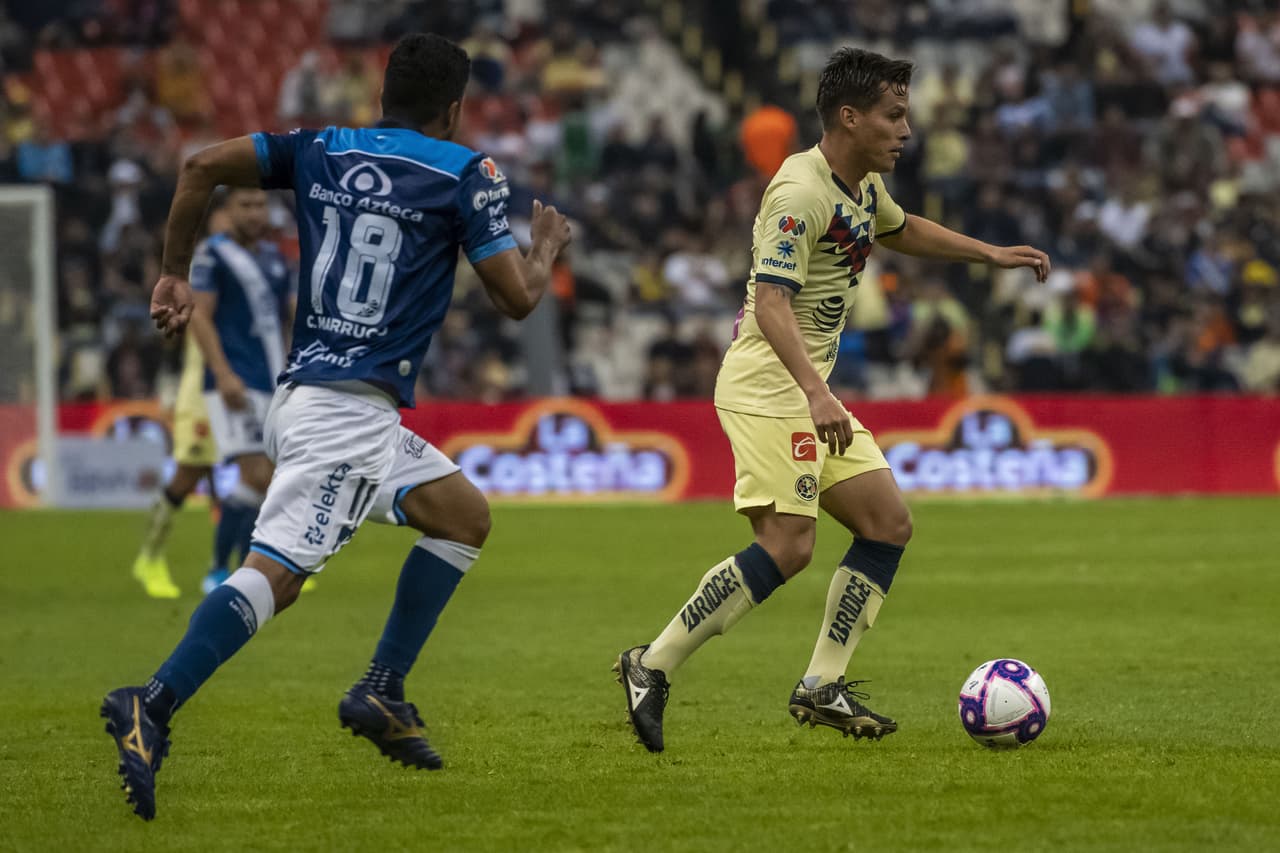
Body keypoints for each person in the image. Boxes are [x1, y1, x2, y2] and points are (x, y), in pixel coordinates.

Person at [100, 33, 572, 820]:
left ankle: (382, 687)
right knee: (277, 576)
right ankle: (151, 700)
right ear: (454, 109)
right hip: (345, 417)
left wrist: (174, 270)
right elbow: (516, 298)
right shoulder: (467, 171)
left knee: (462, 515)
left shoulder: (320, 146)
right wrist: (545, 249)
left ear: (384, 94)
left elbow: (199, 167)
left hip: (318, 397)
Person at [614, 47, 1050, 753]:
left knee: (887, 523)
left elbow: (901, 228)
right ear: (850, 118)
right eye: (894, 115)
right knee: (788, 545)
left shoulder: (863, 186)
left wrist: (990, 253)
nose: (907, 129)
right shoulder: (800, 193)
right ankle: (650, 664)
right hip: (769, 388)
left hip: (808, 390)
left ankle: (821, 684)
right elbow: (771, 302)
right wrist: (818, 392)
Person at [187, 187, 295, 594]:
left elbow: (288, 322)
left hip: (273, 379)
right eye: (245, 205)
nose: (254, 212)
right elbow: (201, 316)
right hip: (233, 380)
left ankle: (240, 568)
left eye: (260, 204)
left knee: (264, 480)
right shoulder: (212, 255)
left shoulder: (274, 258)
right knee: (257, 473)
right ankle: (218, 570)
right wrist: (222, 371)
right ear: (228, 212)